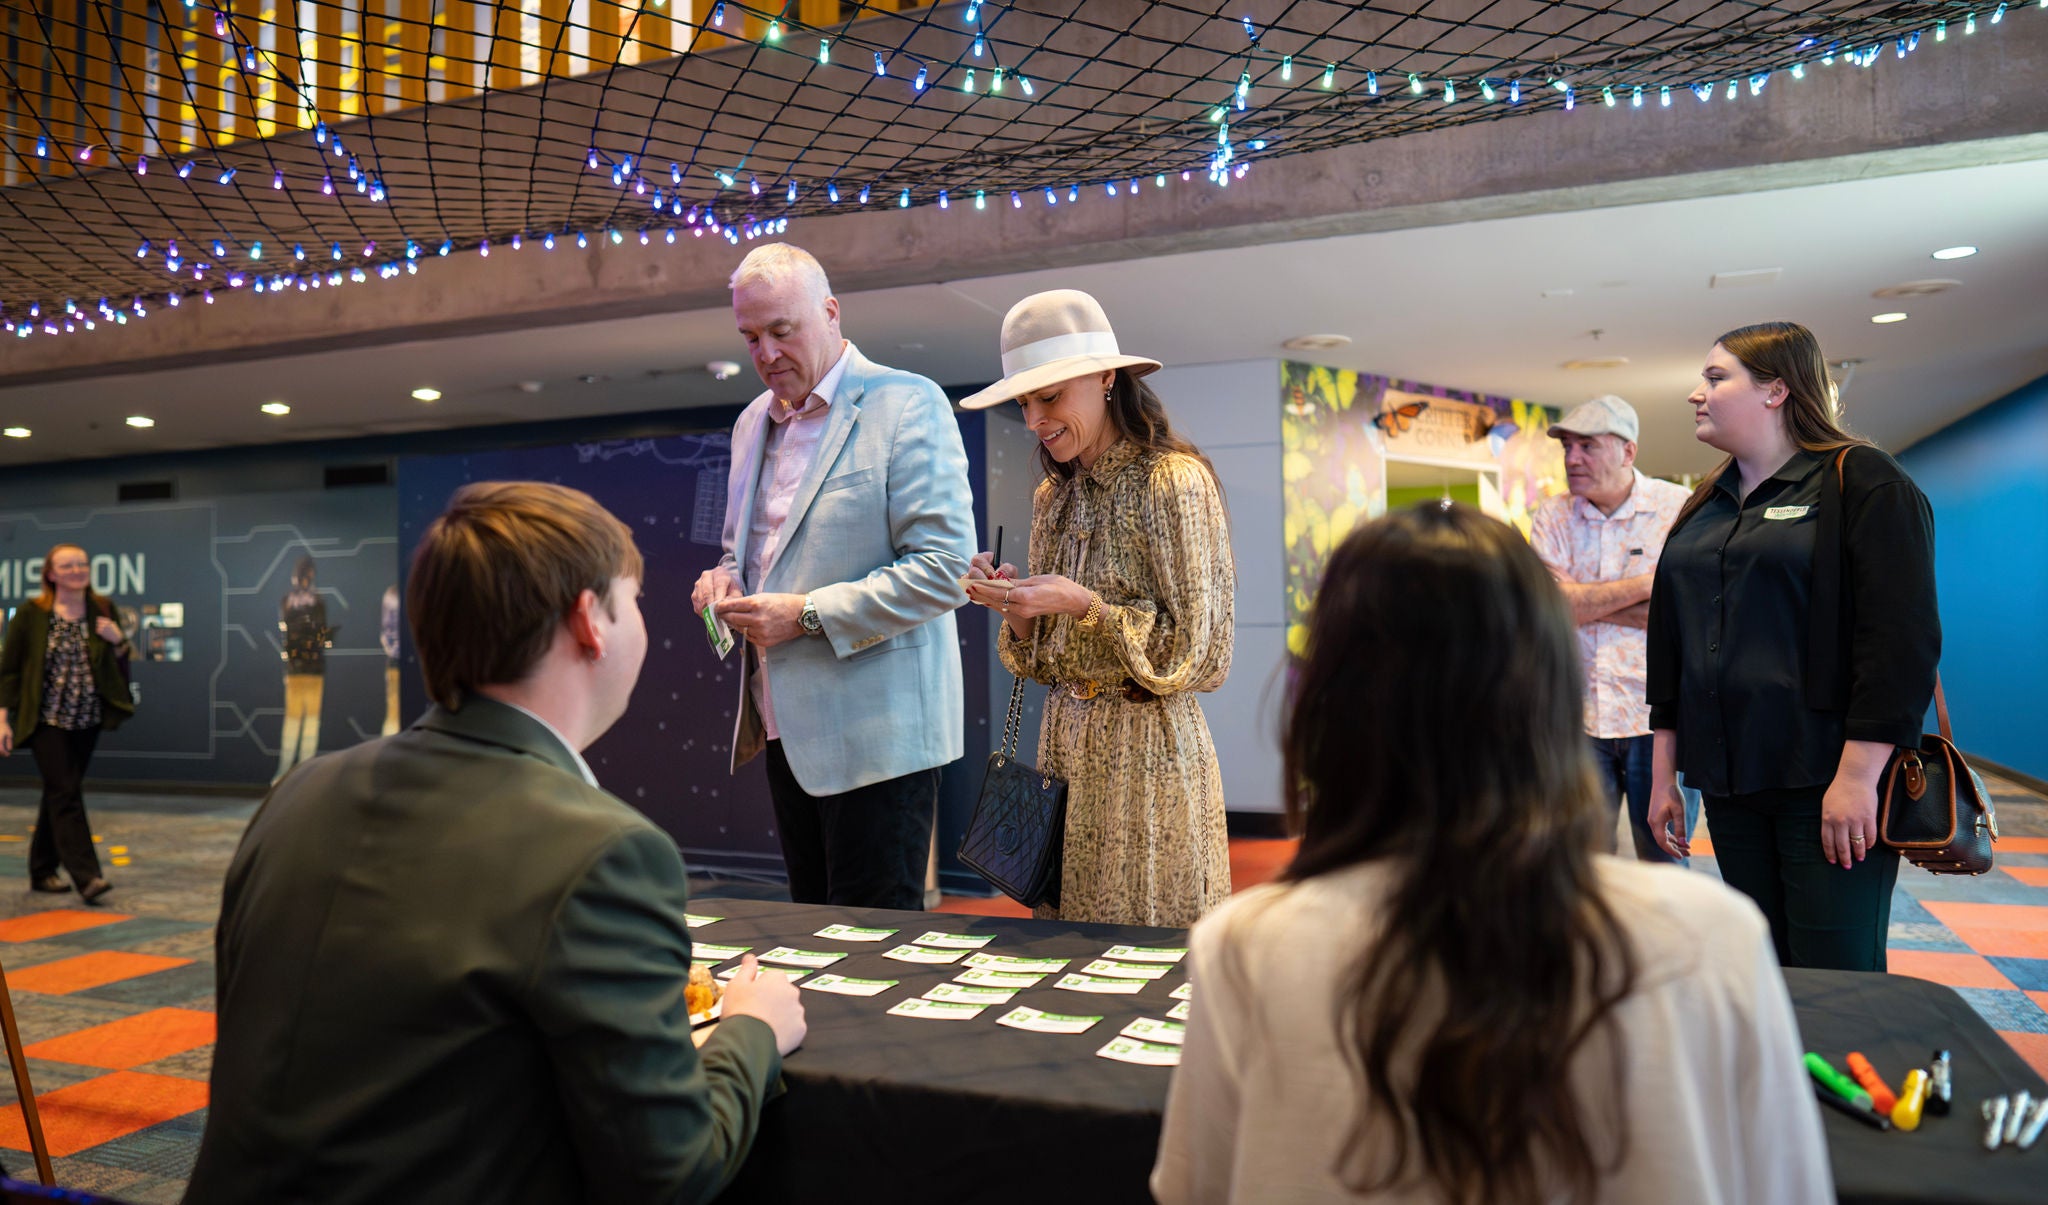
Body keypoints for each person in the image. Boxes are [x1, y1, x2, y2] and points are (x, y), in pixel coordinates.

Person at [1153, 503, 1829, 1205]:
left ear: (1329, 704)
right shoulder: (1712, 937)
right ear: (1551, 692)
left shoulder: (1244, 946)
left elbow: (1193, 1188)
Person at [189, 482, 805, 1205]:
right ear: (589, 620)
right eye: (633, 599)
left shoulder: (296, 795)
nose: (642, 619)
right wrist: (753, 1029)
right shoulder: (604, 849)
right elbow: (669, 1172)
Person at [1647, 321, 1939, 972]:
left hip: (1825, 780)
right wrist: (1665, 772)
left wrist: (1858, 779)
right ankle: (1781, 1079)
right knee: (1765, 968)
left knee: (1836, 974)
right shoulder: (1707, 502)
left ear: (1777, 390)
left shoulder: (1860, 480)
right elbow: (1671, 644)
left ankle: (1838, 1080)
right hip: (1728, 781)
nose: (1697, 393)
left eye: (1716, 377)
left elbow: (1901, 642)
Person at [694, 243, 973, 911]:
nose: (764, 353)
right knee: (812, 944)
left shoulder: (908, 403)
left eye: (780, 331)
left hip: (883, 738)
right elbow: (743, 551)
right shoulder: (749, 424)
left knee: (873, 957)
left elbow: (945, 569)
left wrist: (807, 613)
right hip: (785, 730)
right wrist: (722, 582)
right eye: (750, 336)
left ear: (830, 312)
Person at [959, 290, 1234, 927]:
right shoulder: (1052, 499)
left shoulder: (1174, 482)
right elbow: (1041, 659)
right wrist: (1015, 605)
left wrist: (1086, 606)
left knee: (1144, 956)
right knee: (1065, 958)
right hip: (1061, 751)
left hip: (1150, 756)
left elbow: (1201, 653)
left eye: (1049, 397)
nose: (1033, 420)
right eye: (1024, 403)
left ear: (1107, 377)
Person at [1529, 395, 1700, 863]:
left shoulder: (1677, 508)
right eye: (1566, 447)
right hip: (1575, 721)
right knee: (1578, 867)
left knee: (1663, 863)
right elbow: (1547, 610)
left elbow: (1684, 612)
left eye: (1586, 446)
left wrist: (1583, 601)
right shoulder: (1553, 516)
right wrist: (1648, 584)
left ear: (1628, 452)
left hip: (1661, 722)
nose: (1571, 458)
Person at [0, 544, 133, 903]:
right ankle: (87, 876)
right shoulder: (31, 614)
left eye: (82, 564)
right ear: (51, 574)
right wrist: (2, 719)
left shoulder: (102, 610)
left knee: (59, 791)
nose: (77, 570)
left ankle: (42, 870)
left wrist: (118, 641)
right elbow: (9, 670)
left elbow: (121, 660)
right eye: (67, 565)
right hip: (47, 721)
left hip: (87, 720)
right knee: (66, 793)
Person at [273, 556, 330, 782]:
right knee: (306, 721)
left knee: (298, 721)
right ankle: (298, 772)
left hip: (301, 669)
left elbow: (287, 634)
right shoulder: (316, 601)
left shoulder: (290, 601)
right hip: (308, 669)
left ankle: (289, 772)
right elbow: (321, 634)